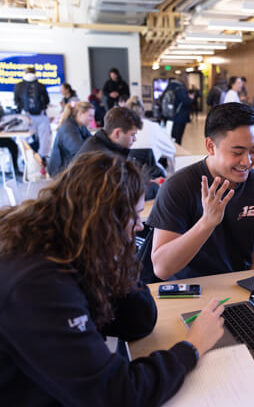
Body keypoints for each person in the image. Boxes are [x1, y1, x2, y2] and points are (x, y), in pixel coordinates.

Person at [0, 151, 225, 406]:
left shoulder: (68, 244)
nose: (139, 227)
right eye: (134, 215)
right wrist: (191, 347)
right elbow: (116, 395)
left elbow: (138, 322)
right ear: (106, 222)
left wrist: (117, 259)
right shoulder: (39, 284)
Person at [147, 102, 254, 280]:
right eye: (237, 152)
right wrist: (206, 223)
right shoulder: (178, 187)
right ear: (210, 146)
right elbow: (162, 269)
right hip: (192, 291)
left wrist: (250, 296)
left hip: (237, 288)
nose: (247, 161)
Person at [128, 96, 176, 175]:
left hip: (128, 176)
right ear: (143, 111)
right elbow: (172, 150)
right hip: (151, 177)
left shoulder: (123, 130)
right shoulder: (153, 127)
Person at [13, 67, 51, 164]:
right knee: (44, 138)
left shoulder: (18, 86)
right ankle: (42, 157)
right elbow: (47, 100)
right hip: (41, 115)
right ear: (35, 73)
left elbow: (16, 101)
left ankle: (26, 159)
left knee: (23, 138)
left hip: (26, 115)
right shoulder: (41, 85)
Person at [47, 101, 93, 177]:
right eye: (90, 116)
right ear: (80, 113)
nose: (92, 119)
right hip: (60, 171)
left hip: (68, 166)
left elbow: (92, 141)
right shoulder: (68, 128)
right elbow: (81, 152)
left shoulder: (80, 126)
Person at [77, 106, 141, 158]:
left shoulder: (96, 141)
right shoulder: (106, 159)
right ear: (117, 133)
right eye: (132, 135)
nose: (135, 139)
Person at [163, 77, 193, 145]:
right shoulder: (180, 88)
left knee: (173, 136)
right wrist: (191, 98)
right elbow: (186, 101)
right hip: (180, 116)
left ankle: (173, 149)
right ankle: (177, 151)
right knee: (178, 138)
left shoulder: (170, 86)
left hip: (171, 114)